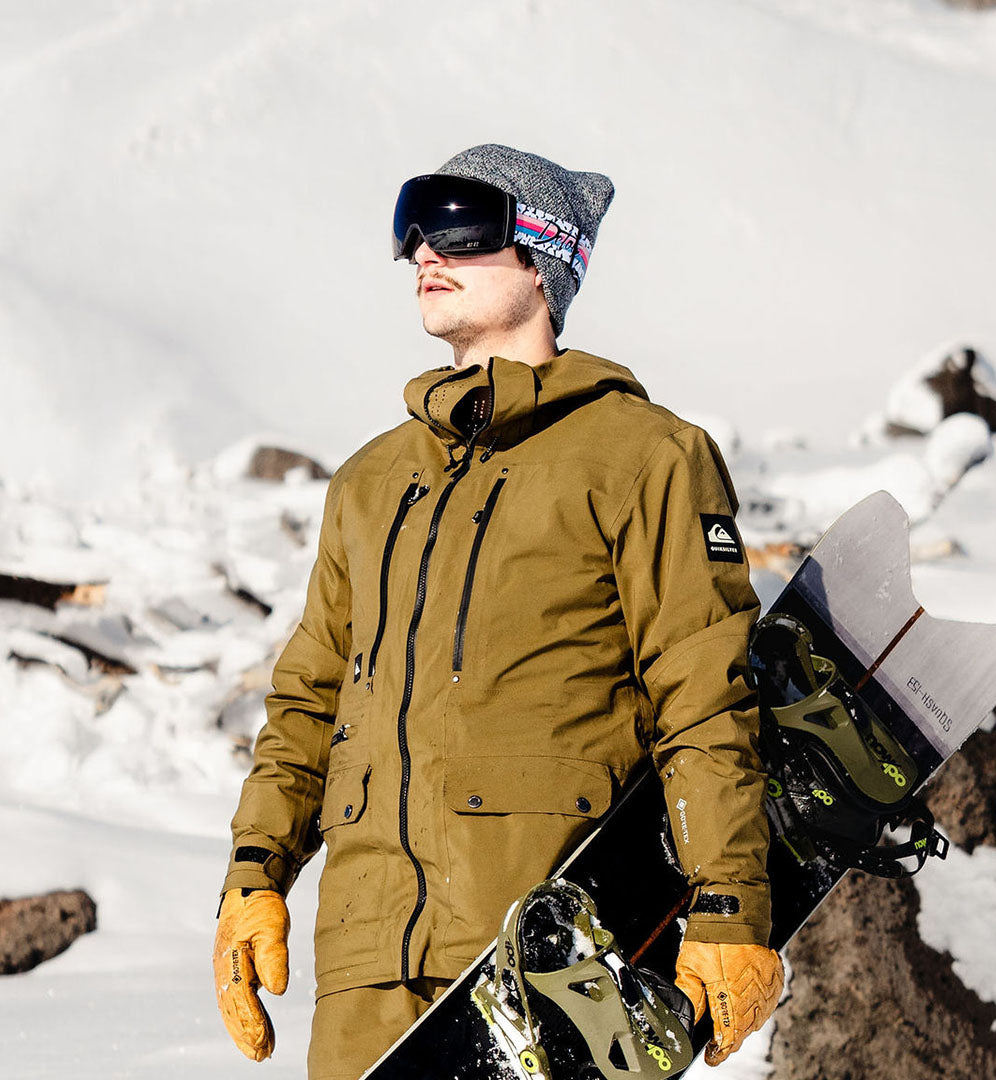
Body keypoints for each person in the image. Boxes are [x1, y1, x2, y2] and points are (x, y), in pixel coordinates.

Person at [213, 143, 785, 1080]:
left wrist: (728, 907)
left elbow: (703, 695)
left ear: (540, 256)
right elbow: (309, 702)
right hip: (365, 959)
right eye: (411, 228)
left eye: (460, 224)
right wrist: (254, 873)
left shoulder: (642, 457)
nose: (424, 251)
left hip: (541, 948)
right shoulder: (369, 483)